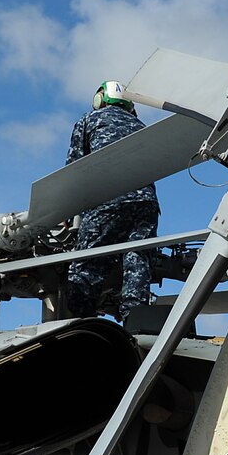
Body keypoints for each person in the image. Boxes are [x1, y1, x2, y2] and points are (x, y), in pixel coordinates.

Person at [65, 81, 160, 322]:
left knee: (86, 266)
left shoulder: (90, 120)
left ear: (99, 100)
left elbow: (74, 168)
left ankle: (82, 322)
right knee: (137, 261)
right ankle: (134, 320)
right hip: (145, 204)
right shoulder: (141, 126)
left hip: (107, 200)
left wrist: (67, 210)